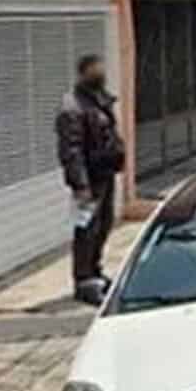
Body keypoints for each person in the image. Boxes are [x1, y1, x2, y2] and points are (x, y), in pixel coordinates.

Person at [56, 54, 124, 306]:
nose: (101, 74)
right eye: (96, 70)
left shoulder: (99, 99)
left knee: (104, 224)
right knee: (87, 229)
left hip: (104, 174)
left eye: (101, 69)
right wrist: (80, 184)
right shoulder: (72, 106)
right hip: (89, 179)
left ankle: (95, 271)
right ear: (83, 72)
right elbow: (71, 150)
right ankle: (84, 280)